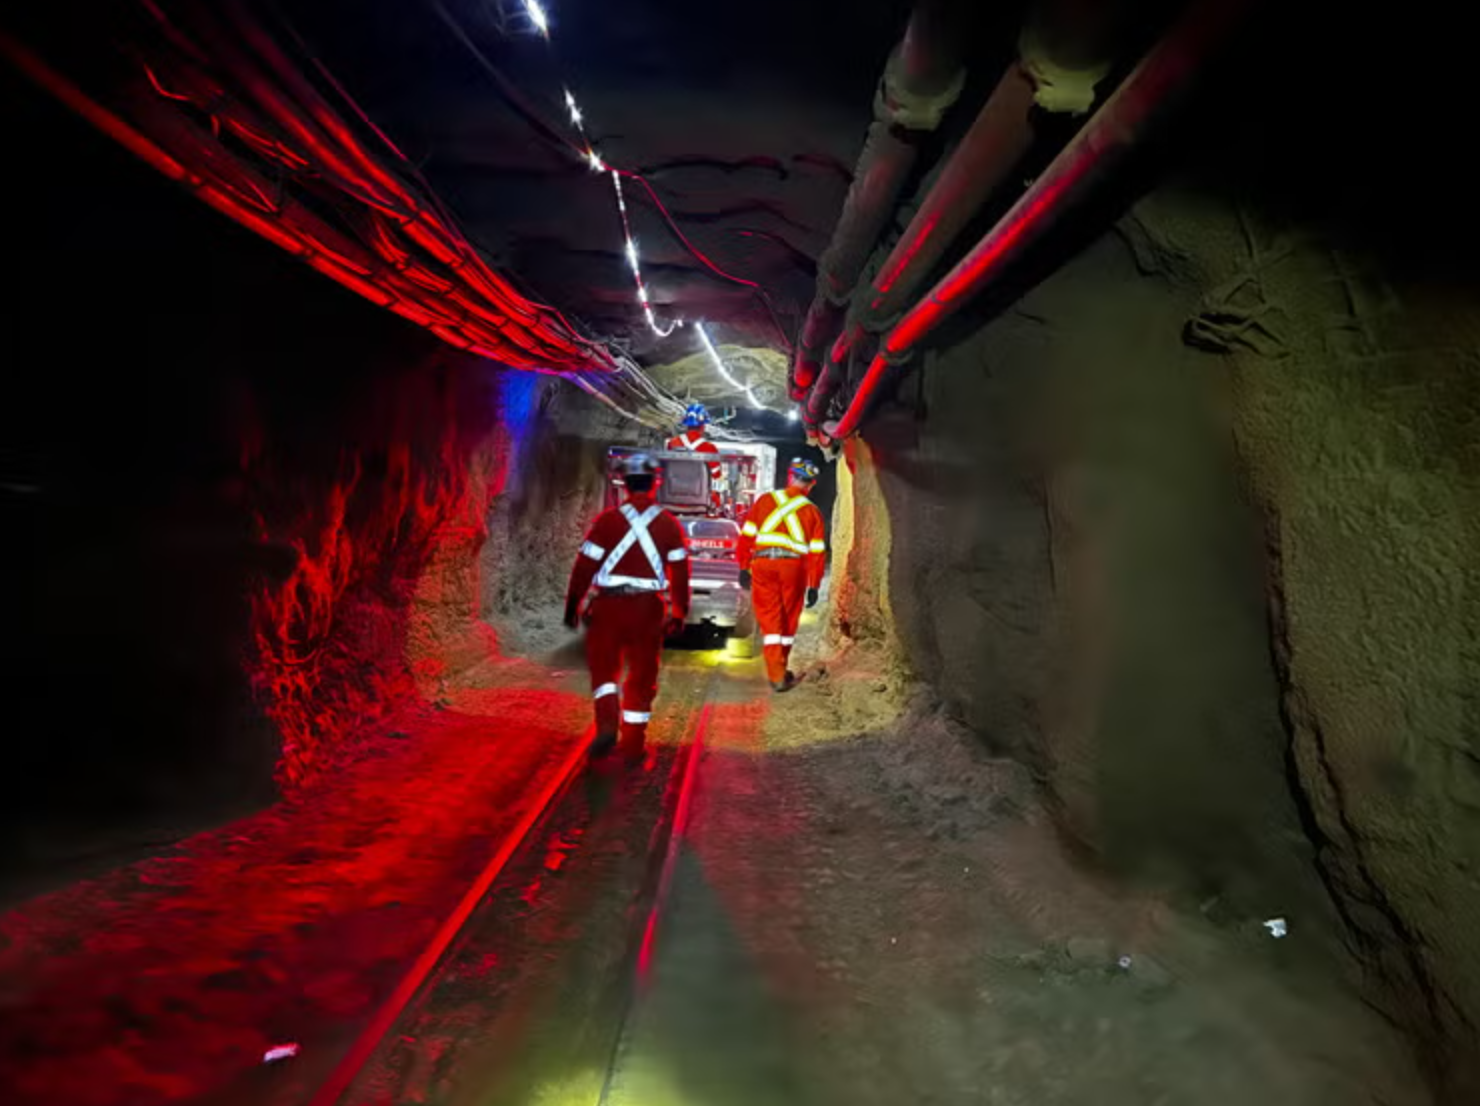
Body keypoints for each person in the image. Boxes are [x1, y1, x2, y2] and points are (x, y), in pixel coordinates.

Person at [564, 454, 691, 760]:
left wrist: (573, 605)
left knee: (604, 670)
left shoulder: (607, 521)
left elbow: (584, 566)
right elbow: (680, 571)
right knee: (642, 674)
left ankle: (607, 727)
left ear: (623, 483)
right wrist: (679, 612)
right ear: (655, 483)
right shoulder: (667, 524)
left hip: (608, 606)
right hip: (647, 609)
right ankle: (633, 743)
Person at [737, 457, 826, 692]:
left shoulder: (765, 500)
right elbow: (817, 553)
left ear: (790, 477)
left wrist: (743, 566)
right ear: (811, 484)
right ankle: (779, 671)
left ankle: (777, 671)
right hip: (794, 568)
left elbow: (746, 536)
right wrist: (814, 585)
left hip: (763, 563)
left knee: (770, 618)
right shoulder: (813, 512)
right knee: (788, 619)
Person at [666, 403, 725, 512]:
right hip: (700, 503)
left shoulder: (672, 443)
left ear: (687, 424)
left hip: (670, 500)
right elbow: (716, 477)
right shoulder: (710, 448)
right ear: (703, 426)